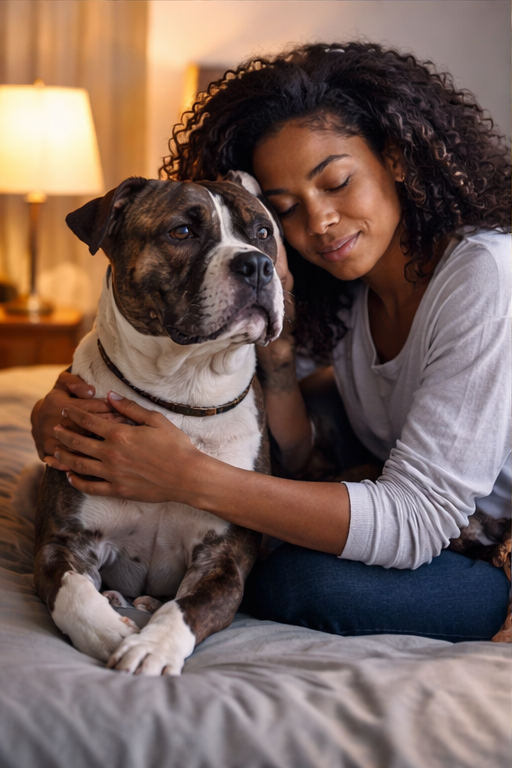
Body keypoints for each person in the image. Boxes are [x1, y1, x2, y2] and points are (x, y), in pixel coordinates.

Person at [32, 42, 511, 643]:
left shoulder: (485, 273)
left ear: (398, 159)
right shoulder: (348, 285)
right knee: (269, 547)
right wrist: (53, 411)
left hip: (494, 552)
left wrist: (187, 476)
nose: (320, 221)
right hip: (437, 533)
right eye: (285, 210)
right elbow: (289, 443)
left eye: (336, 182)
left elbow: (418, 519)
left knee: (289, 581)